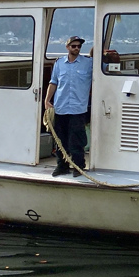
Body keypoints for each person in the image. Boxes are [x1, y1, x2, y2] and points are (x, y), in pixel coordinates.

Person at [44, 35, 93, 177]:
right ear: (67, 47)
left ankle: (79, 166)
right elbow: (53, 82)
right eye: (74, 46)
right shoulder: (59, 63)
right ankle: (62, 166)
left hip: (78, 108)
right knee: (60, 140)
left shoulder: (88, 63)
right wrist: (47, 100)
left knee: (77, 140)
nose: (77, 48)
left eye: (79, 46)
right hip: (61, 107)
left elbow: (104, 69)